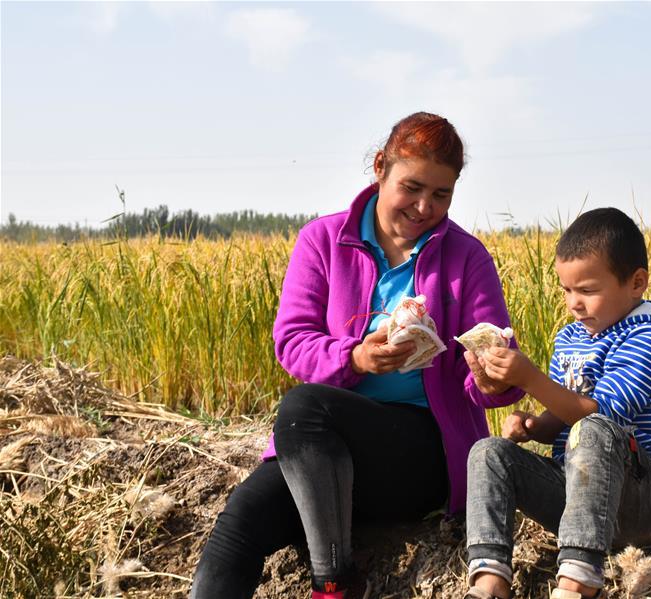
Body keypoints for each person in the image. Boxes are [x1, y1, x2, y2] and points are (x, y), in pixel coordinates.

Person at [190, 112, 524, 599]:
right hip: (322, 455)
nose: (424, 206)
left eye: (441, 194)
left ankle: (333, 582)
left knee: (304, 406)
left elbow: (493, 370)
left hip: (422, 453)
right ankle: (333, 573)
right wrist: (356, 360)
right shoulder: (322, 241)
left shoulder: (467, 258)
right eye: (412, 187)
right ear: (380, 167)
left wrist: (492, 378)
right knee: (237, 529)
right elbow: (293, 342)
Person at [463, 208, 651, 599]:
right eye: (566, 290)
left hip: (647, 500)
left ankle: (577, 581)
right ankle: (490, 581)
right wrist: (537, 427)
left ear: (636, 282)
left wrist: (530, 379)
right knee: (489, 453)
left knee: (595, 429)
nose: (574, 303)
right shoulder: (572, 339)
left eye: (587, 290)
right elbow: (568, 409)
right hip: (580, 496)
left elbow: (602, 416)